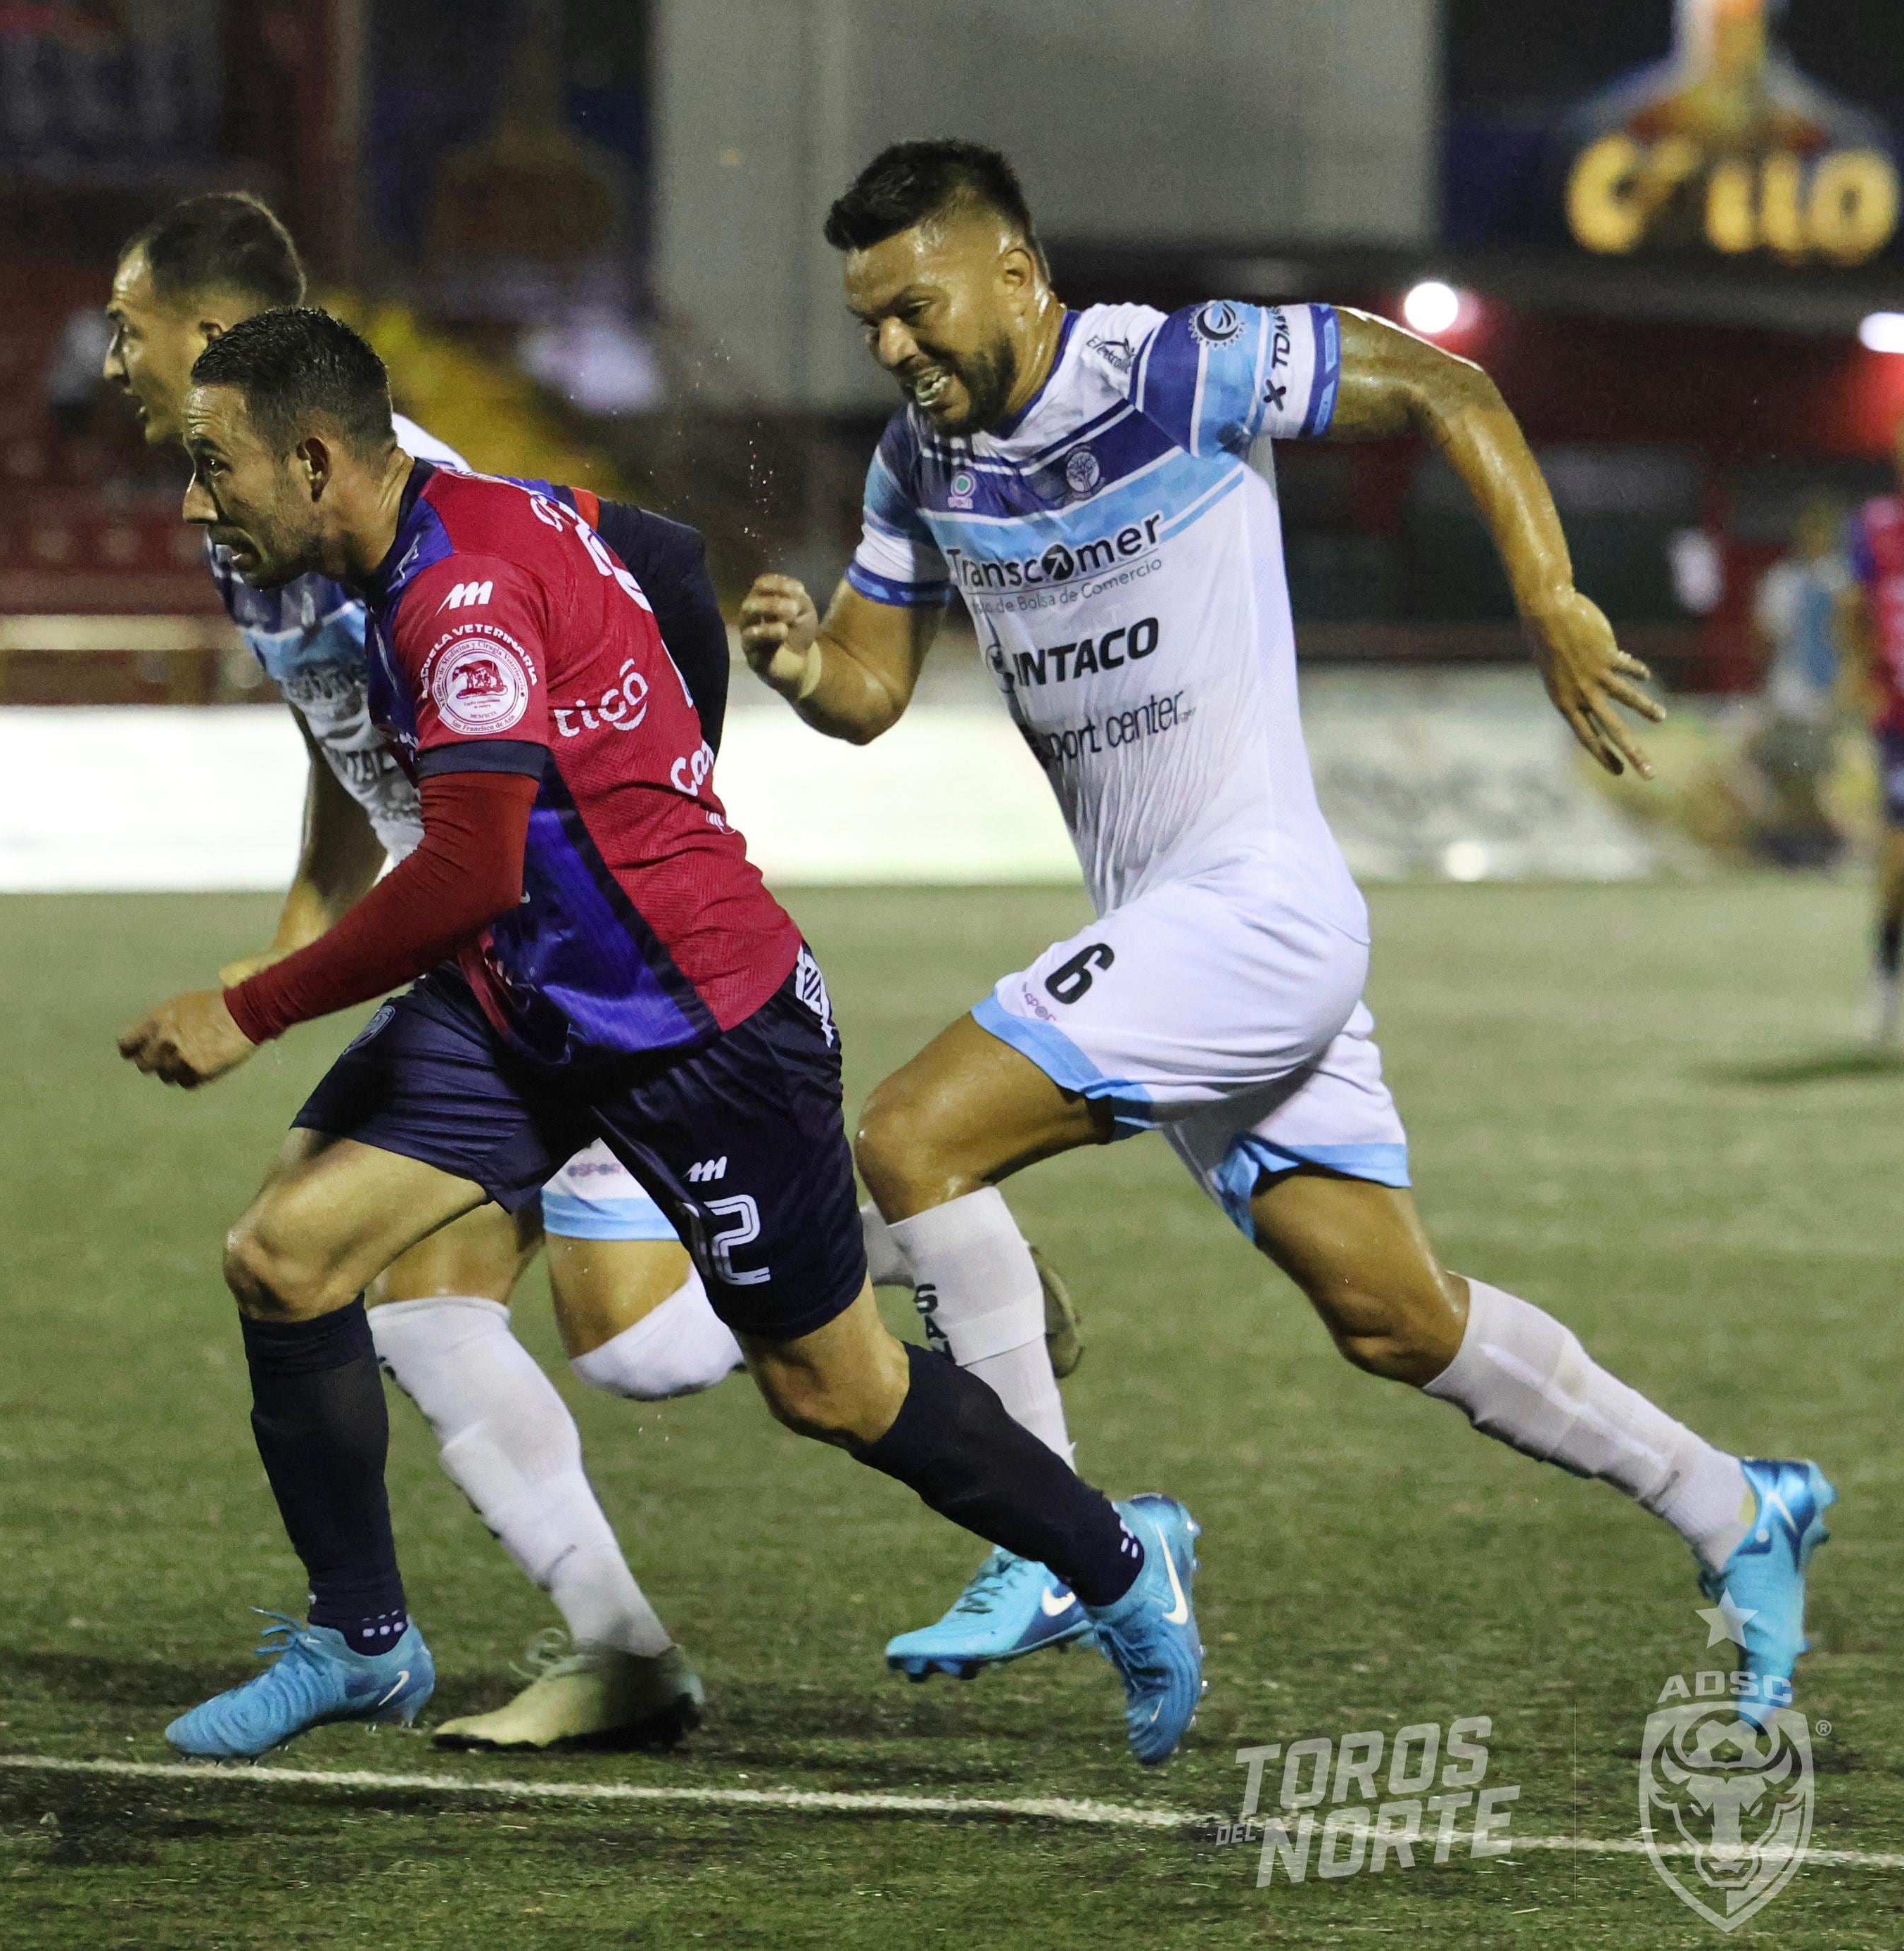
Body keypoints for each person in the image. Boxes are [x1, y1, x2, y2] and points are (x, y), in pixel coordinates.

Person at [738, 141, 1831, 1722]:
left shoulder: (1178, 370)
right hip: (1179, 938)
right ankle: (1735, 1505)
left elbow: (1449, 388)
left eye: (912, 310)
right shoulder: (919, 464)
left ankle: (1063, 1541)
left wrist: (1548, 596)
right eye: (868, 328)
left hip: (1251, 906)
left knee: (910, 1141)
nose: (891, 350)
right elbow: (870, 689)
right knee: (1393, 1316)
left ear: (1018, 278)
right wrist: (797, 663)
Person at [117, 305, 1202, 1767]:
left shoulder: (458, 597)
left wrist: (250, 1004)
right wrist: (661, 772)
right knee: (285, 1259)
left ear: (314, 460)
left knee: (831, 1387)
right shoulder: (496, 510)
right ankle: (360, 1643)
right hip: (524, 1002)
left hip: (697, 1028)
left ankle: (1118, 1562)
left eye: (215, 465)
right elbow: (674, 561)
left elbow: (465, 871)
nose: (194, 500)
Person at [101, 193, 737, 1749]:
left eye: (127, 328)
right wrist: (305, 919)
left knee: (639, 1344)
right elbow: (350, 746)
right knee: (362, 1285)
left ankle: (907, 1226)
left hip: (566, 952)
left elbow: (665, 566)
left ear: (208, 339)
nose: (110, 356)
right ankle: (538, 1649)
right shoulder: (248, 522)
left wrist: (646, 833)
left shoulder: (429, 506)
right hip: (471, 952)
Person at [1837, 418, 1904, 1046]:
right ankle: (1885, 981)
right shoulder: (1876, 527)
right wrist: (1858, 674)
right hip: (1900, 724)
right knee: (1899, 859)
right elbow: (1853, 608)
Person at [1744, 497, 1851, 868]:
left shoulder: (1845, 581)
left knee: (1821, 773)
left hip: (1831, 691)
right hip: (1790, 688)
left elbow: (1853, 639)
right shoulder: (1784, 580)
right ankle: (1793, 847)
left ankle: (1827, 845)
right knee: (1788, 770)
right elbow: (1766, 636)